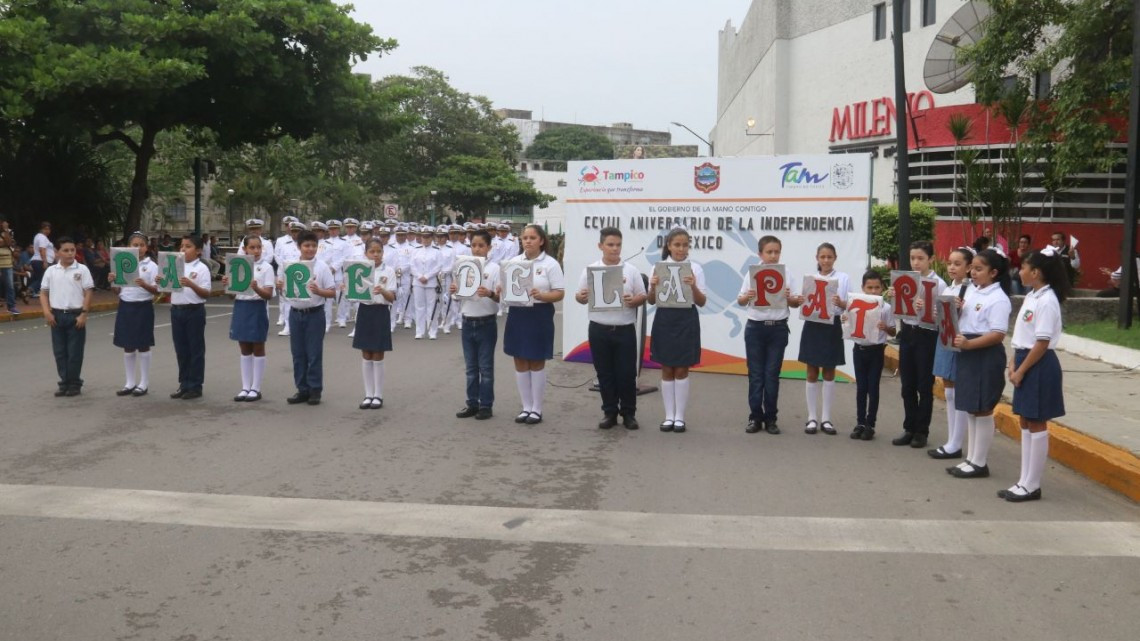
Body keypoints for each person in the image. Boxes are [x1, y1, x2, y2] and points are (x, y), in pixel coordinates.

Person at [1003, 247, 1070, 502]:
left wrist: (1020, 370)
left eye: (1024, 267)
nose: (1020, 271)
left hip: (1038, 364)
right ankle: (1023, 480)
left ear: (1036, 272)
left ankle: (1032, 484)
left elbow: (1041, 343)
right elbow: (1024, 337)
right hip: (1024, 360)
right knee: (1025, 421)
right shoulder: (1032, 296)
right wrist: (1013, 362)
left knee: (1036, 421)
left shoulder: (1047, 300)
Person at [574, 227, 648, 430]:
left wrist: (634, 301)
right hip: (599, 329)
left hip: (624, 329)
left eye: (618, 245)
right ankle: (609, 412)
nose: (615, 249)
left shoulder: (631, 270)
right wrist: (581, 297)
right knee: (604, 373)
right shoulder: (591, 270)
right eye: (610, 245)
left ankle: (629, 413)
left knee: (626, 374)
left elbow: (643, 296)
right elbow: (579, 296)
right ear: (601, 246)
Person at [948, 248, 1013, 479]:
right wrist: (956, 309)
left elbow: (997, 335)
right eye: (972, 268)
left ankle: (980, 461)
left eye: (978, 269)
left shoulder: (998, 299)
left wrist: (969, 345)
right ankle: (971, 458)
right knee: (972, 407)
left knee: (983, 408)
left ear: (993, 272)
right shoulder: (973, 292)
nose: (973, 273)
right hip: (967, 350)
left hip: (984, 354)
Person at [737, 235, 803, 434]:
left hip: (778, 328)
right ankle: (755, 417)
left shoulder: (786, 273)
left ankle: (771, 418)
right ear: (760, 254)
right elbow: (740, 300)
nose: (773, 256)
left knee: (772, 375)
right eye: (769, 252)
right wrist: (746, 297)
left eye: (776, 252)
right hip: (755, 328)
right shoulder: (752, 273)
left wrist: (791, 298)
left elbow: (794, 302)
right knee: (756, 375)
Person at [502, 224, 565, 425]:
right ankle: (525, 407)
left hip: (540, 314)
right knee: (520, 359)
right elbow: (506, 289)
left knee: (536, 360)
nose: (527, 241)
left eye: (532, 238)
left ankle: (537, 408)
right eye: (525, 238)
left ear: (541, 241)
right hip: (518, 313)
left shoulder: (550, 264)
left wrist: (542, 295)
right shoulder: (513, 262)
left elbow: (559, 292)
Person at [646, 226, 706, 433]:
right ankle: (668, 415)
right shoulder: (658, 267)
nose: (681, 249)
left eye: (685, 245)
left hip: (686, 319)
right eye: (677, 245)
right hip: (665, 319)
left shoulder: (695, 268)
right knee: (666, 368)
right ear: (669, 246)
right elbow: (652, 300)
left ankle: (680, 417)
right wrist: (653, 286)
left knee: (681, 368)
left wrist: (694, 286)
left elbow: (702, 301)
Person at [891, 241, 947, 449]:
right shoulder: (906, 280)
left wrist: (932, 311)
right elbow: (900, 309)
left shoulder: (939, 284)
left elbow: (945, 316)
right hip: (908, 332)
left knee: (924, 385)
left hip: (927, 335)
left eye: (920, 258)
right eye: (913, 258)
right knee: (907, 385)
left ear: (930, 259)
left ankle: (922, 431)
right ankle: (909, 427)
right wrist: (895, 298)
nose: (916, 262)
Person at [278, 231, 337, 405]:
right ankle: (301, 389)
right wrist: (280, 285)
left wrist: (319, 291)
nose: (310, 249)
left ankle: (315, 389)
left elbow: (332, 292)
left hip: (314, 314)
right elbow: (285, 290)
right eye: (307, 245)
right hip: (295, 313)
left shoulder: (322, 267)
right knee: (298, 354)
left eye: (313, 246)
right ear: (299, 247)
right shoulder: (290, 266)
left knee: (314, 354)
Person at [799, 242, 850, 435]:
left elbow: (850, 305)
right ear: (817, 258)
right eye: (822, 257)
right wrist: (802, 300)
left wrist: (841, 302)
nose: (826, 260)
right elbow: (803, 302)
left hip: (832, 326)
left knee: (829, 371)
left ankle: (826, 419)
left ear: (835, 258)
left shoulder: (843, 278)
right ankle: (812, 417)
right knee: (811, 371)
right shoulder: (811, 279)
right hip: (813, 325)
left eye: (829, 257)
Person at [928, 247, 974, 459]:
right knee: (948, 390)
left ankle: (956, 443)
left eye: (958, 264)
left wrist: (963, 307)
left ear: (969, 267)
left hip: (960, 339)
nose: (952, 268)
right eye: (950, 263)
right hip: (945, 337)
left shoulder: (972, 290)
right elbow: (940, 317)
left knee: (958, 390)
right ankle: (951, 439)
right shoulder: (948, 290)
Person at [452, 229, 501, 420]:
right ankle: (472, 403)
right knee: (471, 367)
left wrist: (489, 293)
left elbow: (499, 298)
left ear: (489, 247)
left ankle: (486, 405)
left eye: (481, 245)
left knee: (486, 367)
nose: (477, 249)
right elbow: (458, 297)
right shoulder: (463, 266)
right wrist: (454, 290)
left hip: (486, 322)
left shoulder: (494, 268)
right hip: (467, 321)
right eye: (473, 245)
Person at [40, 237, 94, 396]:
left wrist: (84, 314)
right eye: (66, 250)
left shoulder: (82, 269)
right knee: (60, 352)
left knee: (74, 352)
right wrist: (47, 312)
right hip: (56, 315)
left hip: (75, 315)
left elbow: (88, 292)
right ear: (57, 252)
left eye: (73, 250)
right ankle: (64, 381)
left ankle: (74, 383)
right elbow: (43, 293)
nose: (70, 253)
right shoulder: (51, 271)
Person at [844, 271, 895, 440]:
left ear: (882, 288)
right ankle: (860, 422)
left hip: (876, 351)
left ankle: (870, 424)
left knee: (873, 388)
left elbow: (894, 331)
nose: (873, 291)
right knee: (861, 388)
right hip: (859, 350)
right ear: (863, 288)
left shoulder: (886, 307)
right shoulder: (855, 303)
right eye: (869, 287)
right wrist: (845, 320)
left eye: (877, 287)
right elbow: (848, 323)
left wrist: (885, 327)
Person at [225, 236, 275, 402]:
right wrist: (227, 284)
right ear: (245, 249)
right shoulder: (238, 266)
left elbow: (268, 295)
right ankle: (245, 387)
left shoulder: (266, 267)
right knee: (244, 347)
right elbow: (232, 296)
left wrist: (256, 288)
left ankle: (256, 388)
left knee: (257, 346)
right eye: (252, 247)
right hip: (241, 307)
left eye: (258, 247)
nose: (256, 251)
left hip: (257, 307)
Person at [109, 232, 159, 397]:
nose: (138, 248)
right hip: (125, 306)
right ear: (128, 247)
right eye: (135, 245)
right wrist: (112, 281)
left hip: (143, 306)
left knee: (143, 344)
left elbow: (157, 290)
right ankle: (130, 382)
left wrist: (144, 284)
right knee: (127, 345)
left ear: (147, 247)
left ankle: (144, 382)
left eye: (141, 245)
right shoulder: (122, 264)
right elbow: (117, 291)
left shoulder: (151, 266)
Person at [352, 238, 396, 409]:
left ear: (383, 253)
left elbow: (392, 297)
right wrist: (347, 288)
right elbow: (353, 294)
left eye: (379, 251)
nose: (376, 254)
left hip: (380, 312)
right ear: (366, 253)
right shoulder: (359, 270)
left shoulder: (389, 271)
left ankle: (378, 395)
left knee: (378, 353)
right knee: (366, 353)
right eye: (372, 251)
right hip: (365, 311)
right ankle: (368, 394)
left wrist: (382, 290)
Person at [169, 235, 213, 400]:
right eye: (182, 246)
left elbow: (206, 293)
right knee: (181, 350)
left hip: (194, 311)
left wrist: (191, 284)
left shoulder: (201, 268)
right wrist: (162, 281)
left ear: (198, 251)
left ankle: (195, 385)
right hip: (176, 310)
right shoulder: (174, 265)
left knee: (195, 349)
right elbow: (166, 289)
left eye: (188, 246)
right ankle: (184, 383)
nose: (183, 249)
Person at [410, 226, 442, 340]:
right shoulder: (415, 250)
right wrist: (419, 276)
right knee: (419, 307)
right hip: (418, 282)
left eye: (428, 237)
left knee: (431, 307)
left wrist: (427, 276)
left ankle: (432, 331)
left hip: (431, 282)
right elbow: (412, 265)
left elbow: (438, 266)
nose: (425, 239)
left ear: (432, 237)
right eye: (424, 237)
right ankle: (419, 331)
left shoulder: (437, 251)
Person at [275, 220, 304, 336]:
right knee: (287, 302)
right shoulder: (284, 245)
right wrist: (280, 279)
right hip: (287, 276)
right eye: (293, 231)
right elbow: (281, 263)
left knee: (302, 302)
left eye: (297, 231)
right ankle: (288, 325)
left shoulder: (305, 245)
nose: (295, 233)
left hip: (302, 276)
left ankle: (301, 326)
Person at [30, 220, 54, 297]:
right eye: (45, 229)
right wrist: (45, 261)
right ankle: (29, 290)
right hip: (40, 261)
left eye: (48, 229)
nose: (47, 231)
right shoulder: (42, 237)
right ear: (41, 229)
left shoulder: (38, 236)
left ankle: (29, 293)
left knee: (39, 278)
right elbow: (42, 249)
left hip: (36, 260)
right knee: (43, 279)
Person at [0, 218, 18, 314]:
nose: (5, 223)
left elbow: (10, 243)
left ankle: (11, 306)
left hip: (7, 262)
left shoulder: (9, 232)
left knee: (10, 285)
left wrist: (6, 231)